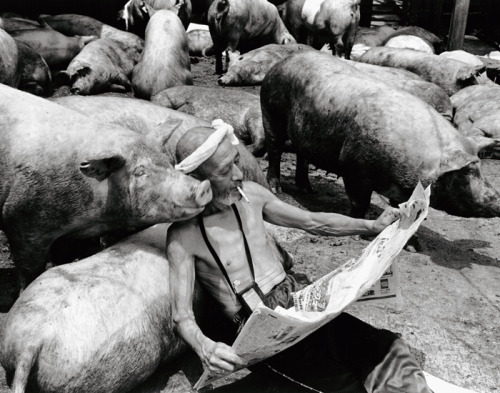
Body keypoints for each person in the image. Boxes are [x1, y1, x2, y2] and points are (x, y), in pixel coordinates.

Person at [167, 123, 432, 393]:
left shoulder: (252, 195)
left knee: (385, 347)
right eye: (225, 171)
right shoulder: (184, 236)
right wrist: (204, 345)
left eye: (236, 162)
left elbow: (313, 222)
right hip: (258, 327)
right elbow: (182, 316)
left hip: (298, 299)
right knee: (342, 385)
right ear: (198, 182)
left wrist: (371, 226)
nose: (238, 174)